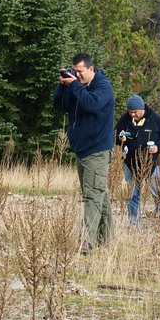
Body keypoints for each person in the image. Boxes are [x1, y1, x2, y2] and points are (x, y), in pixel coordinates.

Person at [53, 53, 115, 253]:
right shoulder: (76, 87)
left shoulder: (103, 87)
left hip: (97, 149)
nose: (77, 75)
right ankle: (107, 239)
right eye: (75, 71)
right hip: (81, 149)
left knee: (92, 196)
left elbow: (92, 104)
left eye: (80, 71)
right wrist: (62, 86)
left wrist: (75, 86)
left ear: (91, 69)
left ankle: (86, 241)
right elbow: (60, 106)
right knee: (98, 194)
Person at [115, 94, 160, 233]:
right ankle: (134, 225)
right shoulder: (125, 119)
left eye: (135, 112)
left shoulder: (155, 119)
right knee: (133, 196)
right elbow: (116, 134)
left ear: (142, 109)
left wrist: (158, 147)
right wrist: (120, 138)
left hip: (153, 164)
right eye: (130, 112)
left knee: (159, 194)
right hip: (131, 164)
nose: (132, 115)